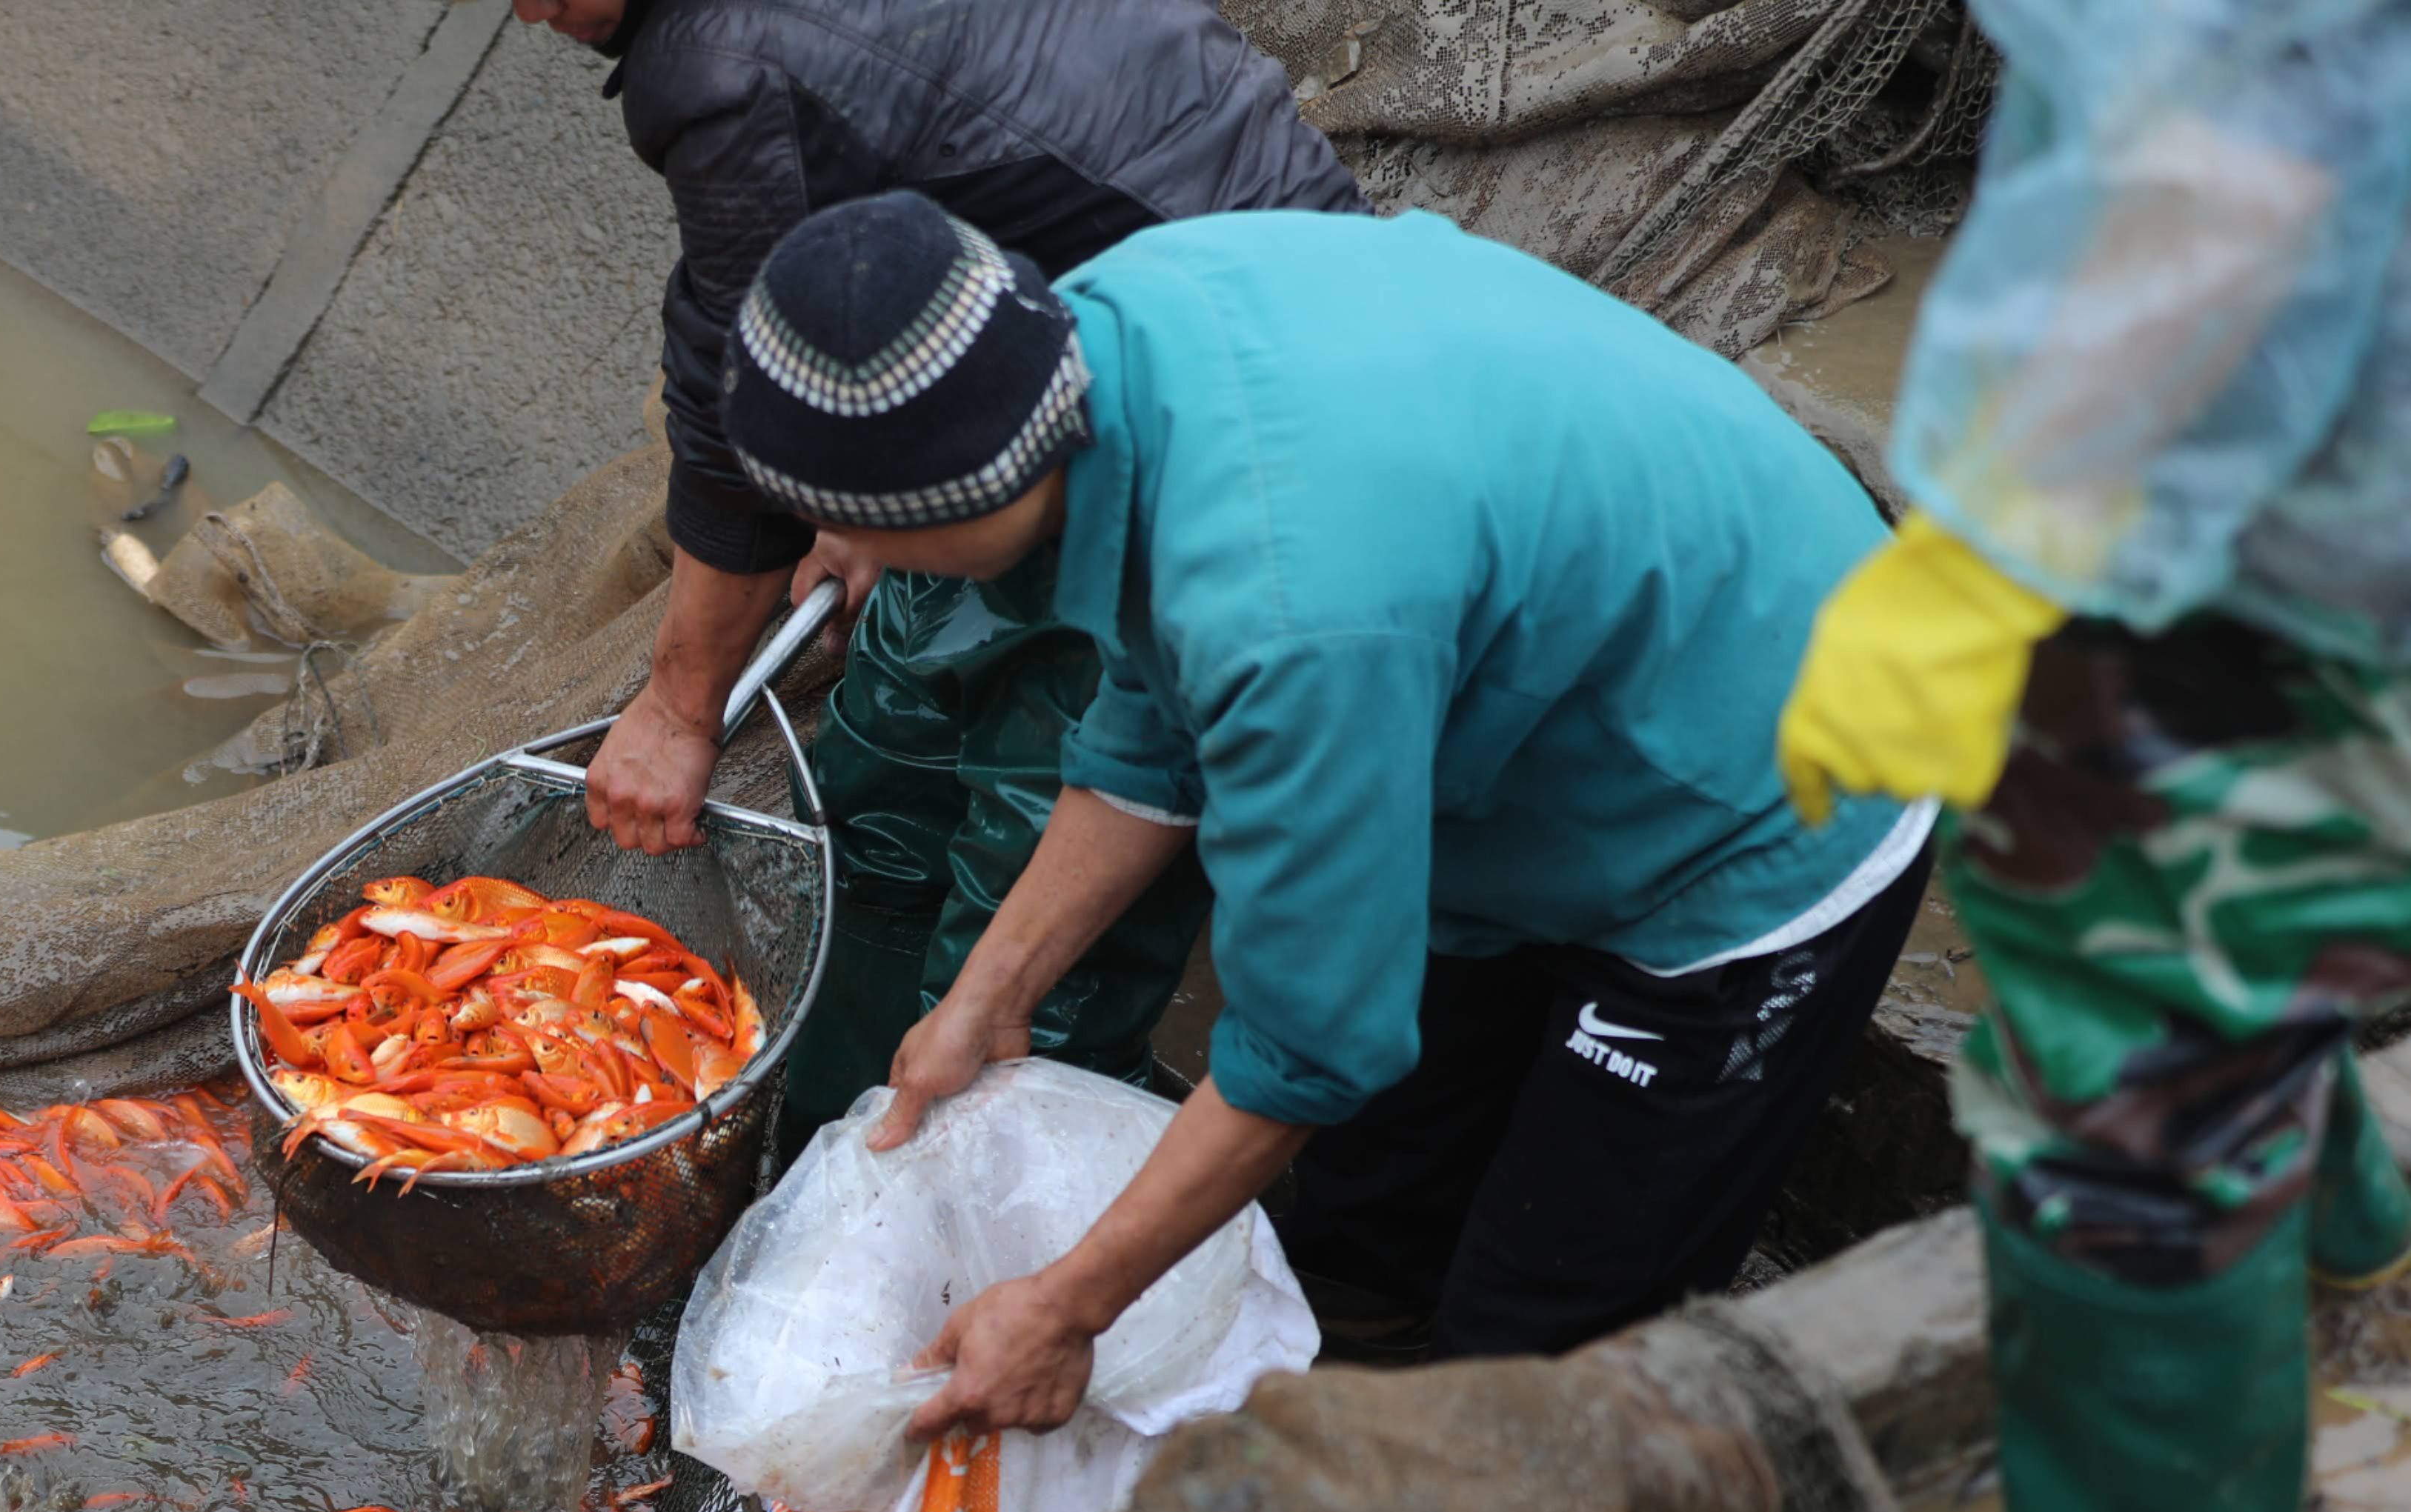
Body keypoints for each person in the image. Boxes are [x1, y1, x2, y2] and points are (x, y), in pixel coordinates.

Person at [710, 190, 1935, 1411]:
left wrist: (1066, 1308)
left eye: (853, 524)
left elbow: (1309, 1046)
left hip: (1767, 776)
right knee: (1373, 1198)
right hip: (1533, 685)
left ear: (959, 505)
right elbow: (1151, 716)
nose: (844, 550)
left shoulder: (1288, 613)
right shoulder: (1105, 335)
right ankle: (1354, 1352)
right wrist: (990, 995)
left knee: (1545, 1340)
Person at [1729, 0, 2411, 1512]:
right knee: (2278, 915)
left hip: (2269, 527)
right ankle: (2341, 1208)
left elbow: (2237, 136)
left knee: (2127, 1075)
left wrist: (1986, 554)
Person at [502, 0, 1362, 1134]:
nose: (520, 12)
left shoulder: (718, 61)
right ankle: (824, 1136)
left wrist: (678, 705)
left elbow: (725, 395)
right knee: (880, 784)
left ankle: (966, 1172)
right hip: (1089, 322)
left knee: (1040, 896)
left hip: (1232, 411)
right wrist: (872, 484)